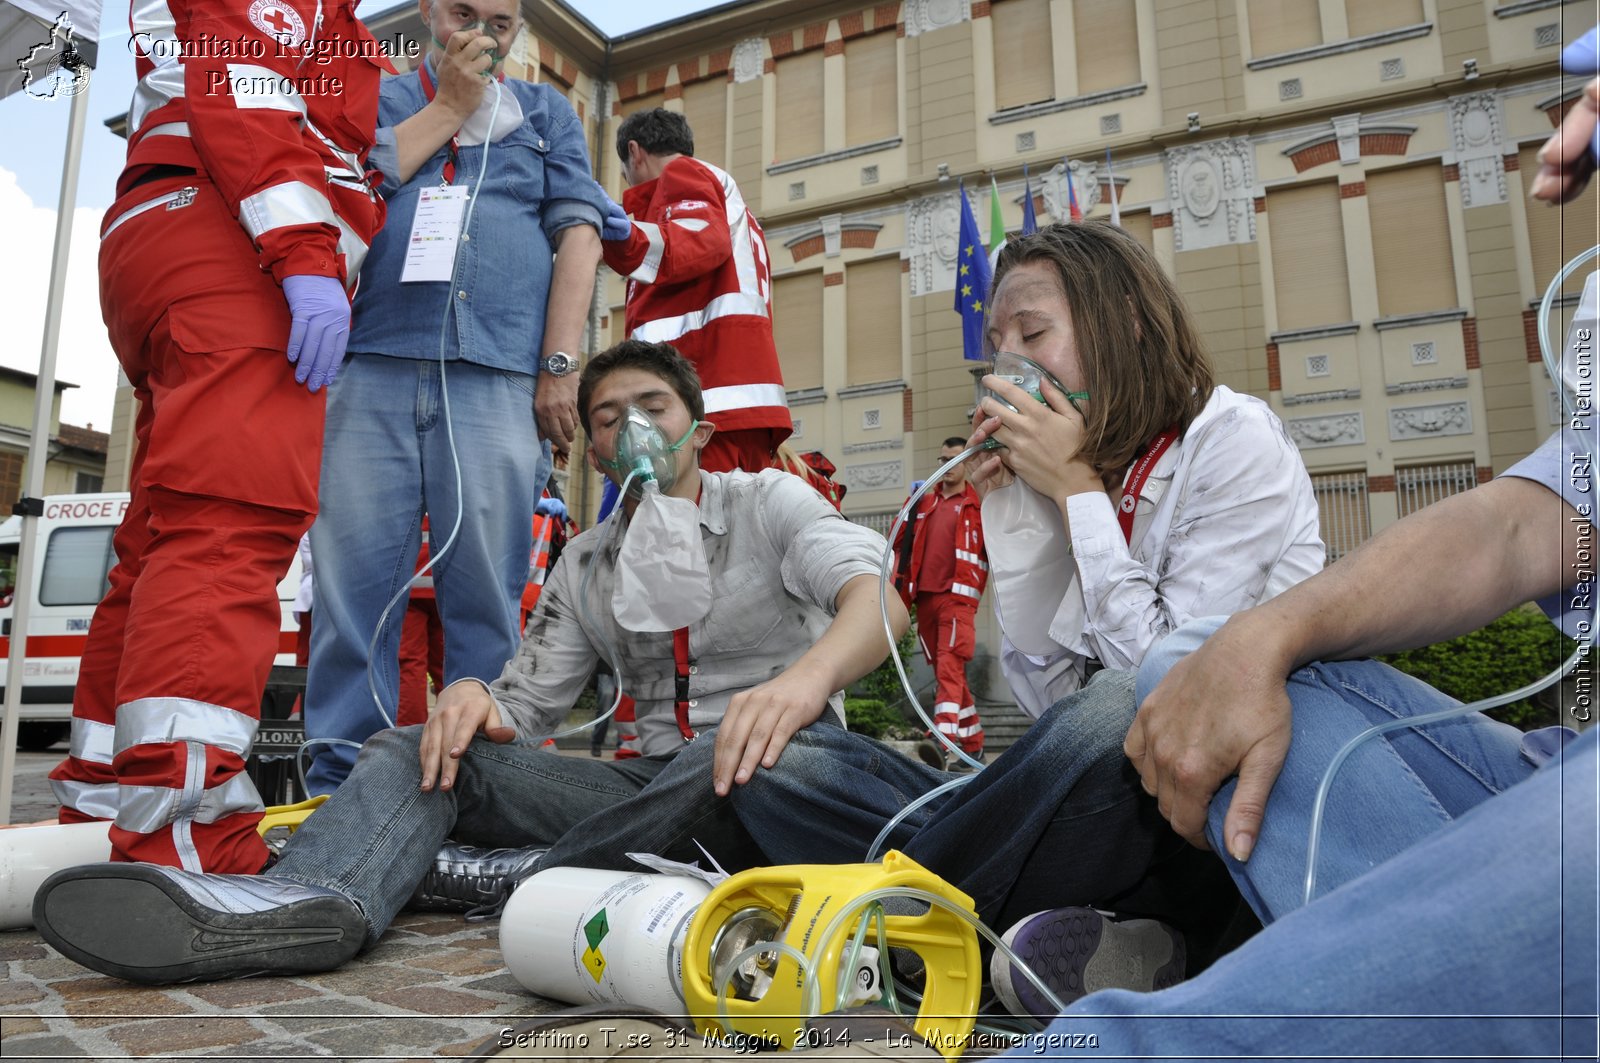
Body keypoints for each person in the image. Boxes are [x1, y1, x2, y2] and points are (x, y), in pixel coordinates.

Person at [32, 340, 910, 986]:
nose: (634, 427)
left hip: (773, 775)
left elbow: (881, 597)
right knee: (413, 745)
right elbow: (524, 705)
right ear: (595, 450)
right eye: (609, 416)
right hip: (643, 791)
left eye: (655, 407)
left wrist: (801, 684)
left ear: (701, 429)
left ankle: (511, 873)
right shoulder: (588, 559)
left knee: (739, 767)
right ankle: (312, 903)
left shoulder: (769, 503)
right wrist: (469, 697)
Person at [721, 222, 1325, 1015]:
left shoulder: (1230, 437)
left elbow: (1170, 687)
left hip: (1208, 809)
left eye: (1034, 334)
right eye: (996, 347)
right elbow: (1047, 707)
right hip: (1091, 812)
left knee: (1120, 702)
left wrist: (1076, 494)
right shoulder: (1073, 481)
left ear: (1125, 327)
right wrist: (1020, 510)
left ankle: (901, 919)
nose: (1008, 368)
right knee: (781, 763)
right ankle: (1101, 938)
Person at [46, 0, 388, 874]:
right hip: (232, 233)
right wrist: (308, 256)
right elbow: (247, 76)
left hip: (166, 222)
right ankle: (184, 826)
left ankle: (101, 796)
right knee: (227, 526)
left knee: (161, 538)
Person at [300, 0, 610, 794]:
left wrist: (560, 367)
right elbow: (350, 190)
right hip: (373, 362)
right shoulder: (378, 93)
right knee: (354, 590)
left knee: (487, 591)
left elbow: (579, 231)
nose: (481, 31)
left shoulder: (549, 113)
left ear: (521, 31)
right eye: (463, 12)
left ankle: (488, 783)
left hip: (500, 370)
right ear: (434, 12)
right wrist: (450, 106)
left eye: (500, 21)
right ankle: (342, 782)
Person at [599, 107, 791, 475]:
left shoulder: (682, 174)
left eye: (624, 172)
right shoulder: (726, 195)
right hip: (732, 397)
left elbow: (698, 241)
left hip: (705, 399)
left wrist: (626, 236)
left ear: (635, 152)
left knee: (692, 527)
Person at [894, 437, 989, 766]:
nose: (946, 466)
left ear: (966, 464)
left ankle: (943, 740)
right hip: (925, 599)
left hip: (958, 599)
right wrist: (911, 507)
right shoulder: (926, 500)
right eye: (942, 459)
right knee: (949, 673)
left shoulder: (978, 503)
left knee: (949, 667)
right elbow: (898, 539)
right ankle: (973, 742)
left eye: (953, 459)